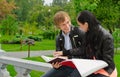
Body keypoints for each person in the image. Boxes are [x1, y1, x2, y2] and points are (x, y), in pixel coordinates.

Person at [42, 11, 85, 77]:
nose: (67, 26)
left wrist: (67, 56)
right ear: (58, 26)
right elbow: (59, 55)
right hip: (65, 66)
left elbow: (85, 51)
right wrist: (55, 64)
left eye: (68, 22)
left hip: (80, 66)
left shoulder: (79, 32)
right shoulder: (58, 38)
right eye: (63, 24)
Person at [77, 10, 117, 77]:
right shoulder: (88, 33)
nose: (79, 28)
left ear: (86, 24)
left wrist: (93, 65)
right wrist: (65, 54)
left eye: (80, 25)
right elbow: (82, 50)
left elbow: (108, 62)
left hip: (106, 69)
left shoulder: (106, 37)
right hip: (93, 67)